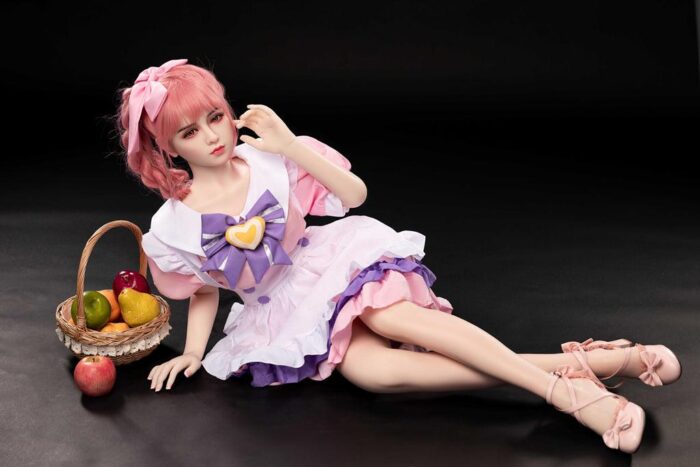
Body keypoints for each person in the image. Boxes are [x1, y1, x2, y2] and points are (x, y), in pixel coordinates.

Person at [114, 59, 682, 454]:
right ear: (168, 147)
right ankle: (604, 363)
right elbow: (205, 288)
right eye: (189, 132)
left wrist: (288, 146)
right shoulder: (171, 226)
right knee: (376, 375)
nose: (212, 136)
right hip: (280, 310)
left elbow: (355, 196)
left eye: (215, 117)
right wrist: (194, 351)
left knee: (392, 319)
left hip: (329, 263)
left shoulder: (268, 159)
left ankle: (569, 395)